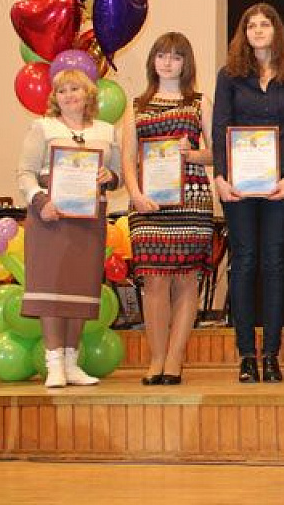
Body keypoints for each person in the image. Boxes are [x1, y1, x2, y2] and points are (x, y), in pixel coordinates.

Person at [213, 3, 284, 384]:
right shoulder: (229, 76)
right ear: (244, 33)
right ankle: (246, 356)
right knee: (244, 261)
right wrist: (220, 176)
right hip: (238, 186)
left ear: (275, 30)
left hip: (278, 185)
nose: (257, 30)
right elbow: (220, 126)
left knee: (274, 263)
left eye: (264, 24)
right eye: (250, 25)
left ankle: (271, 354)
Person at [121, 33, 214, 386]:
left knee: (187, 279)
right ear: (153, 61)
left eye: (176, 56)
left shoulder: (199, 102)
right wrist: (135, 194)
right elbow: (128, 158)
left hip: (191, 200)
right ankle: (156, 358)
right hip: (147, 203)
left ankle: (174, 359)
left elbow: (217, 153)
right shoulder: (136, 105)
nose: (168, 63)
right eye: (161, 55)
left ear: (186, 63)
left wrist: (192, 154)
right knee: (154, 280)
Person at [17, 69, 120, 388]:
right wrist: (40, 202)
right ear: (54, 97)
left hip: (89, 220)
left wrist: (110, 177)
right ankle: (54, 365)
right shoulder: (43, 127)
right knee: (51, 287)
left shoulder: (106, 131)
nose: (69, 95)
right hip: (50, 216)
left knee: (80, 289)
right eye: (62, 91)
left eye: (75, 89)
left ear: (88, 94)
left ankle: (72, 364)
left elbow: (116, 175)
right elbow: (24, 173)